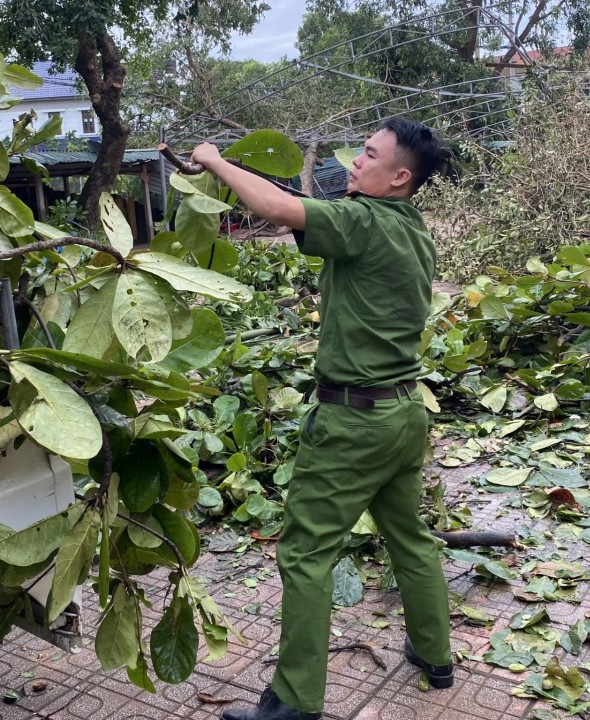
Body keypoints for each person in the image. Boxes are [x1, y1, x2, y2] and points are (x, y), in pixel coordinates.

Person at [190, 117, 453, 720]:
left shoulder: (362, 221)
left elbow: (277, 206)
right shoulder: (414, 230)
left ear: (400, 177)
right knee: (409, 536)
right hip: (405, 415)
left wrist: (213, 159)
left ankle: (294, 701)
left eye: (368, 155)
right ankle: (436, 655)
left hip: (353, 425)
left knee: (306, 555)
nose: (355, 163)